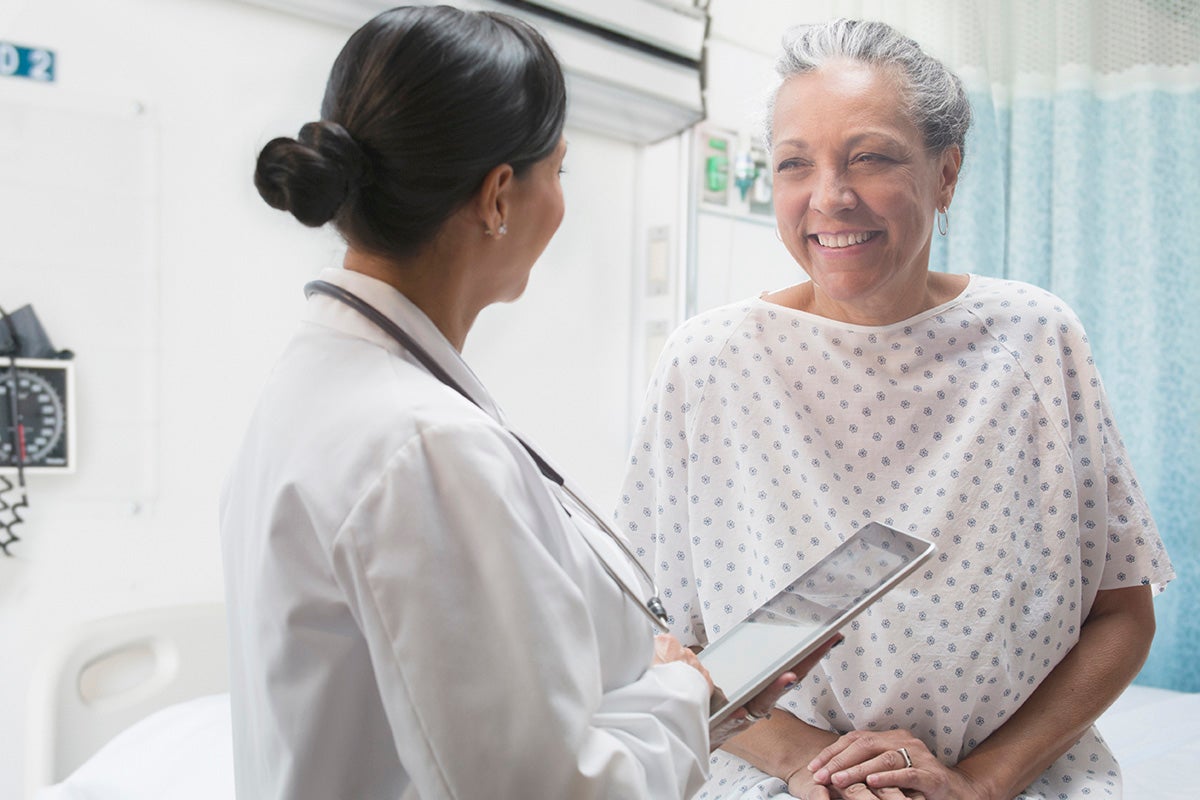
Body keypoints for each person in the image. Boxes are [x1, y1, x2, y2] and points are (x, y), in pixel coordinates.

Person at [220, 6, 833, 799]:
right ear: (499, 196)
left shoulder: (322, 379)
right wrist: (693, 691)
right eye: (560, 171)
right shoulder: (423, 447)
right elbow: (546, 789)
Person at [615, 18, 1174, 800]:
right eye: (794, 165)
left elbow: (1122, 616)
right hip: (779, 777)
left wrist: (977, 784)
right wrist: (813, 766)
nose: (829, 198)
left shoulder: (1035, 340)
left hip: (1010, 780)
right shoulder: (708, 363)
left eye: (869, 158)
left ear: (947, 174)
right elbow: (656, 640)